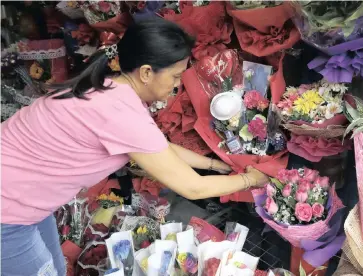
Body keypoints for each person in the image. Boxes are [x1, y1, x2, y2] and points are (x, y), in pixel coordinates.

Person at [1, 17, 269, 275]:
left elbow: (161, 149)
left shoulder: (108, 88)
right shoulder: (120, 113)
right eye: (175, 77)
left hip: (21, 193)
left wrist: (215, 165)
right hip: (8, 208)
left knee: (55, 268)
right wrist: (250, 179)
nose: (177, 86)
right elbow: (193, 187)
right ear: (145, 73)